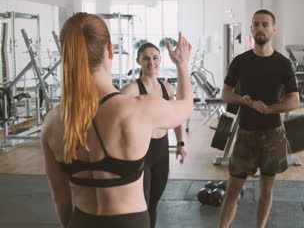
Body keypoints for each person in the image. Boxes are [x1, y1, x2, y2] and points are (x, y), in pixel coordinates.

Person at [41, 12, 192, 228]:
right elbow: (186, 106)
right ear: (109, 50)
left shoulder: (52, 122)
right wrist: (182, 65)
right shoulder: (138, 109)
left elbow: (61, 197)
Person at [218, 9, 299, 228]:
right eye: (256, 24)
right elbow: (225, 93)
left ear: (274, 29)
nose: (260, 28)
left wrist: (270, 109)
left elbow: (294, 101)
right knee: (233, 189)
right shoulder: (240, 61)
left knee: (266, 189)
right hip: (245, 134)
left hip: (273, 134)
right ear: (251, 29)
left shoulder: (283, 63)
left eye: (265, 24)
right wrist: (242, 100)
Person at [120, 42, 187, 228]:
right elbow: (113, 115)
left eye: (155, 58)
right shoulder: (131, 90)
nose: (151, 63)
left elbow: (176, 117)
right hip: (141, 152)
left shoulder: (167, 88)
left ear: (160, 60)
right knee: (142, 201)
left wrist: (180, 143)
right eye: (146, 58)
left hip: (161, 150)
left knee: (154, 201)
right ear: (138, 61)